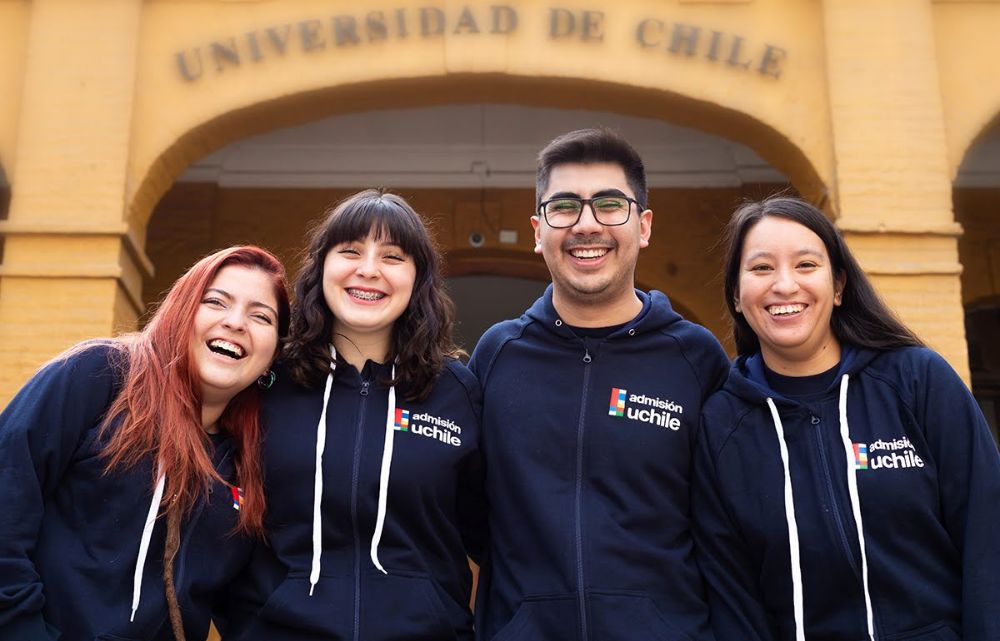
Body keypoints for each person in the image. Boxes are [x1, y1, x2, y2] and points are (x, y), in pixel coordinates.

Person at [693, 196, 1000, 641]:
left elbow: (987, 536)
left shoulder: (916, 380)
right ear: (737, 296)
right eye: (761, 268)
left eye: (805, 265)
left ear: (838, 286)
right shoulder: (721, 423)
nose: (784, 285)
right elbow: (731, 595)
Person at [469, 128, 730, 641]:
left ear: (644, 225)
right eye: (563, 207)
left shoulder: (696, 357)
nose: (587, 225)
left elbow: (726, 524)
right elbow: (470, 513)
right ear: (538, 230)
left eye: (610, 205)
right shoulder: (497, 355)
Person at [216, 189, 483, 640]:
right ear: (322, 267)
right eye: (351, 251)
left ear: (418, 278)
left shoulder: (457, 392)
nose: (369, 269)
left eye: (393, 256)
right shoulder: (266, 383)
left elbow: (489, 532)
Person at [0, 246, 290, 641]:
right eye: (215, 302)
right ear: (182, 311)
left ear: (274, 353)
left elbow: (248, 605)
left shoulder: (249, 461)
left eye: (261, 316)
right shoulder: (99, 375)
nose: (236, 322)